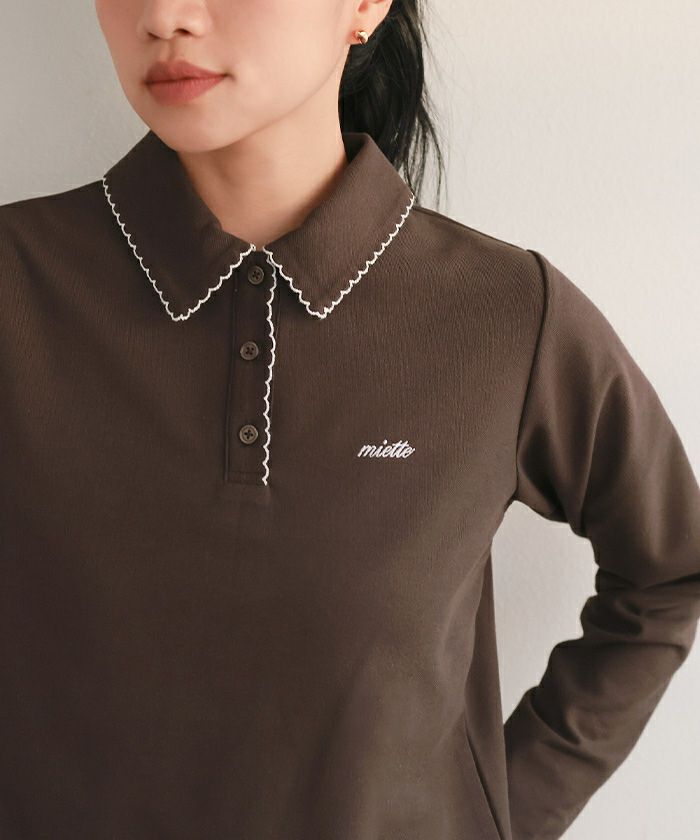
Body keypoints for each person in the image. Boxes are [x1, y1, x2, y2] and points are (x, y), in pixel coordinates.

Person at [1, 1, 698, 839]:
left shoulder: (506, 313)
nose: (164, 16)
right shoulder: (16, 284)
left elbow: (670, 571)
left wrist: (496, 812)